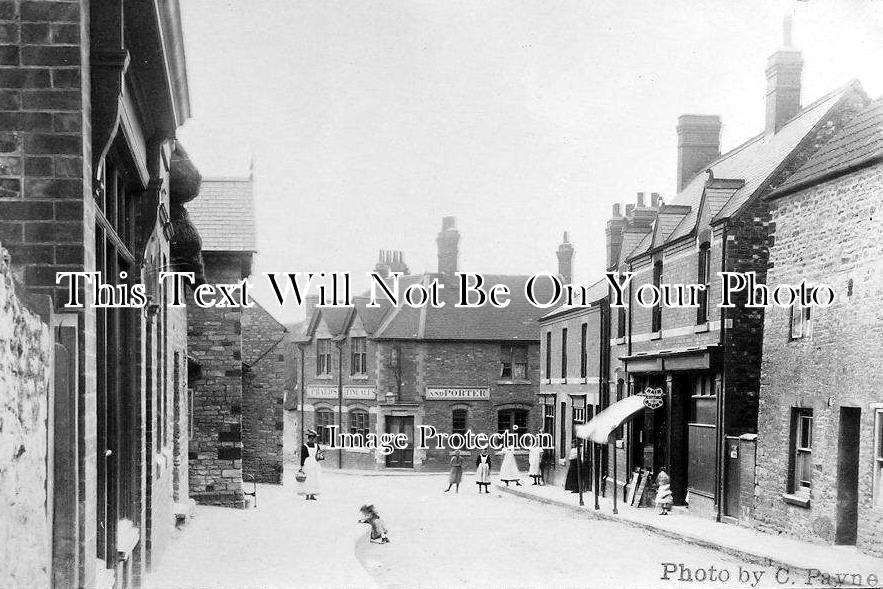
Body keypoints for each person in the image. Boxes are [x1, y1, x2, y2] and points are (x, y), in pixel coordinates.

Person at [298, 429, 323, 501]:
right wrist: (302, 466)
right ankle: (307, 494)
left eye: (314, 438)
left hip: (315, 464)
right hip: (308, 463)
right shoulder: (305, 446)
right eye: (311, 438)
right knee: (308, 479)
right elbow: (303, 457)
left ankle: (312, 494)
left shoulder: (317, 446)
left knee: (315, 479)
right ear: (309, 438)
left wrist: (320, 457)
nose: (313, 440)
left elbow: (319, 455)